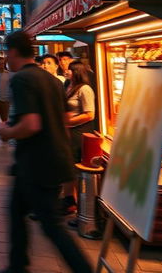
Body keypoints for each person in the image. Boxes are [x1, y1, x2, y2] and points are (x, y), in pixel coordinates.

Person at [0, 32, 92, 273]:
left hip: (37, 163)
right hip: (49, 159)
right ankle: (17, 266)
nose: (6, 58)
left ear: (13, 52)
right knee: (17, 213)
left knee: (52, 227)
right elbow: (63, 119)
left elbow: (31, 124)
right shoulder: (51, 80)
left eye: (7, 53)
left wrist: (6, 131)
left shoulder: (22, 79)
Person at [62, 61, 96, 215]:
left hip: (78, 133)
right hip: (68, 132)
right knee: (68, 166)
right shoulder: (68, 86)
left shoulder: (85, 89)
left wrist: (69, 122)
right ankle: (68, 199)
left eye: (69, 69)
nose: (66, 71)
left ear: (77, 72)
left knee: (74, 167)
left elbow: (90, 114)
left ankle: (78, 204)